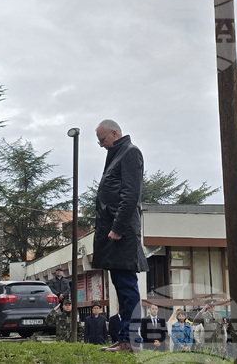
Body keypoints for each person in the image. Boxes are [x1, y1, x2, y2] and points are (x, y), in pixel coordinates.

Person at [91, 119, 147, 353]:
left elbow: (131, 194)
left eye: (103, 139)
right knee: (120, 286)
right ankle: (124, 338)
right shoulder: (117, 153)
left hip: (120, 233)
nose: (101, 144)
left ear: (114, 133)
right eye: (99, 141)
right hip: (112, 233)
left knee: (126, 287)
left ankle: (130, 340)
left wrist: (118, 228)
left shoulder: (130, 153)